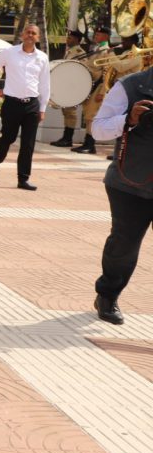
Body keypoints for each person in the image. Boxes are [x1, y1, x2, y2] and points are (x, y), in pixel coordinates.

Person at [90, 65, 153, 325]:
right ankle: (107, 295)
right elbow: (98, 129)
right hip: (129, 184)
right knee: (124, 246)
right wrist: (129, 119)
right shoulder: (131, 85)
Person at [0, 23, 50, 191]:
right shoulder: (9, 52)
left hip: (32, 105)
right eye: (28, 32)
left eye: (33, 33)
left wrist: (42, 108)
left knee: (28, 144)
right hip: (12, 104)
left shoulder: (42, 58)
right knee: (8, 138)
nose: (30, 35)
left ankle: (23, 179)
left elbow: (45, 84)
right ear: (22, 34)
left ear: (38, 37)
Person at [50, 29, 88, 148]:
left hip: (73, 86)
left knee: (70, 112)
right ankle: (65, 137)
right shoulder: (70, 51)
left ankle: (68, 138)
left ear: (77, 40)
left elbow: (82, 69)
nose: (67, 40)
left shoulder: (79, 52)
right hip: (67, 85)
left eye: (70, 38)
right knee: (66, 112)